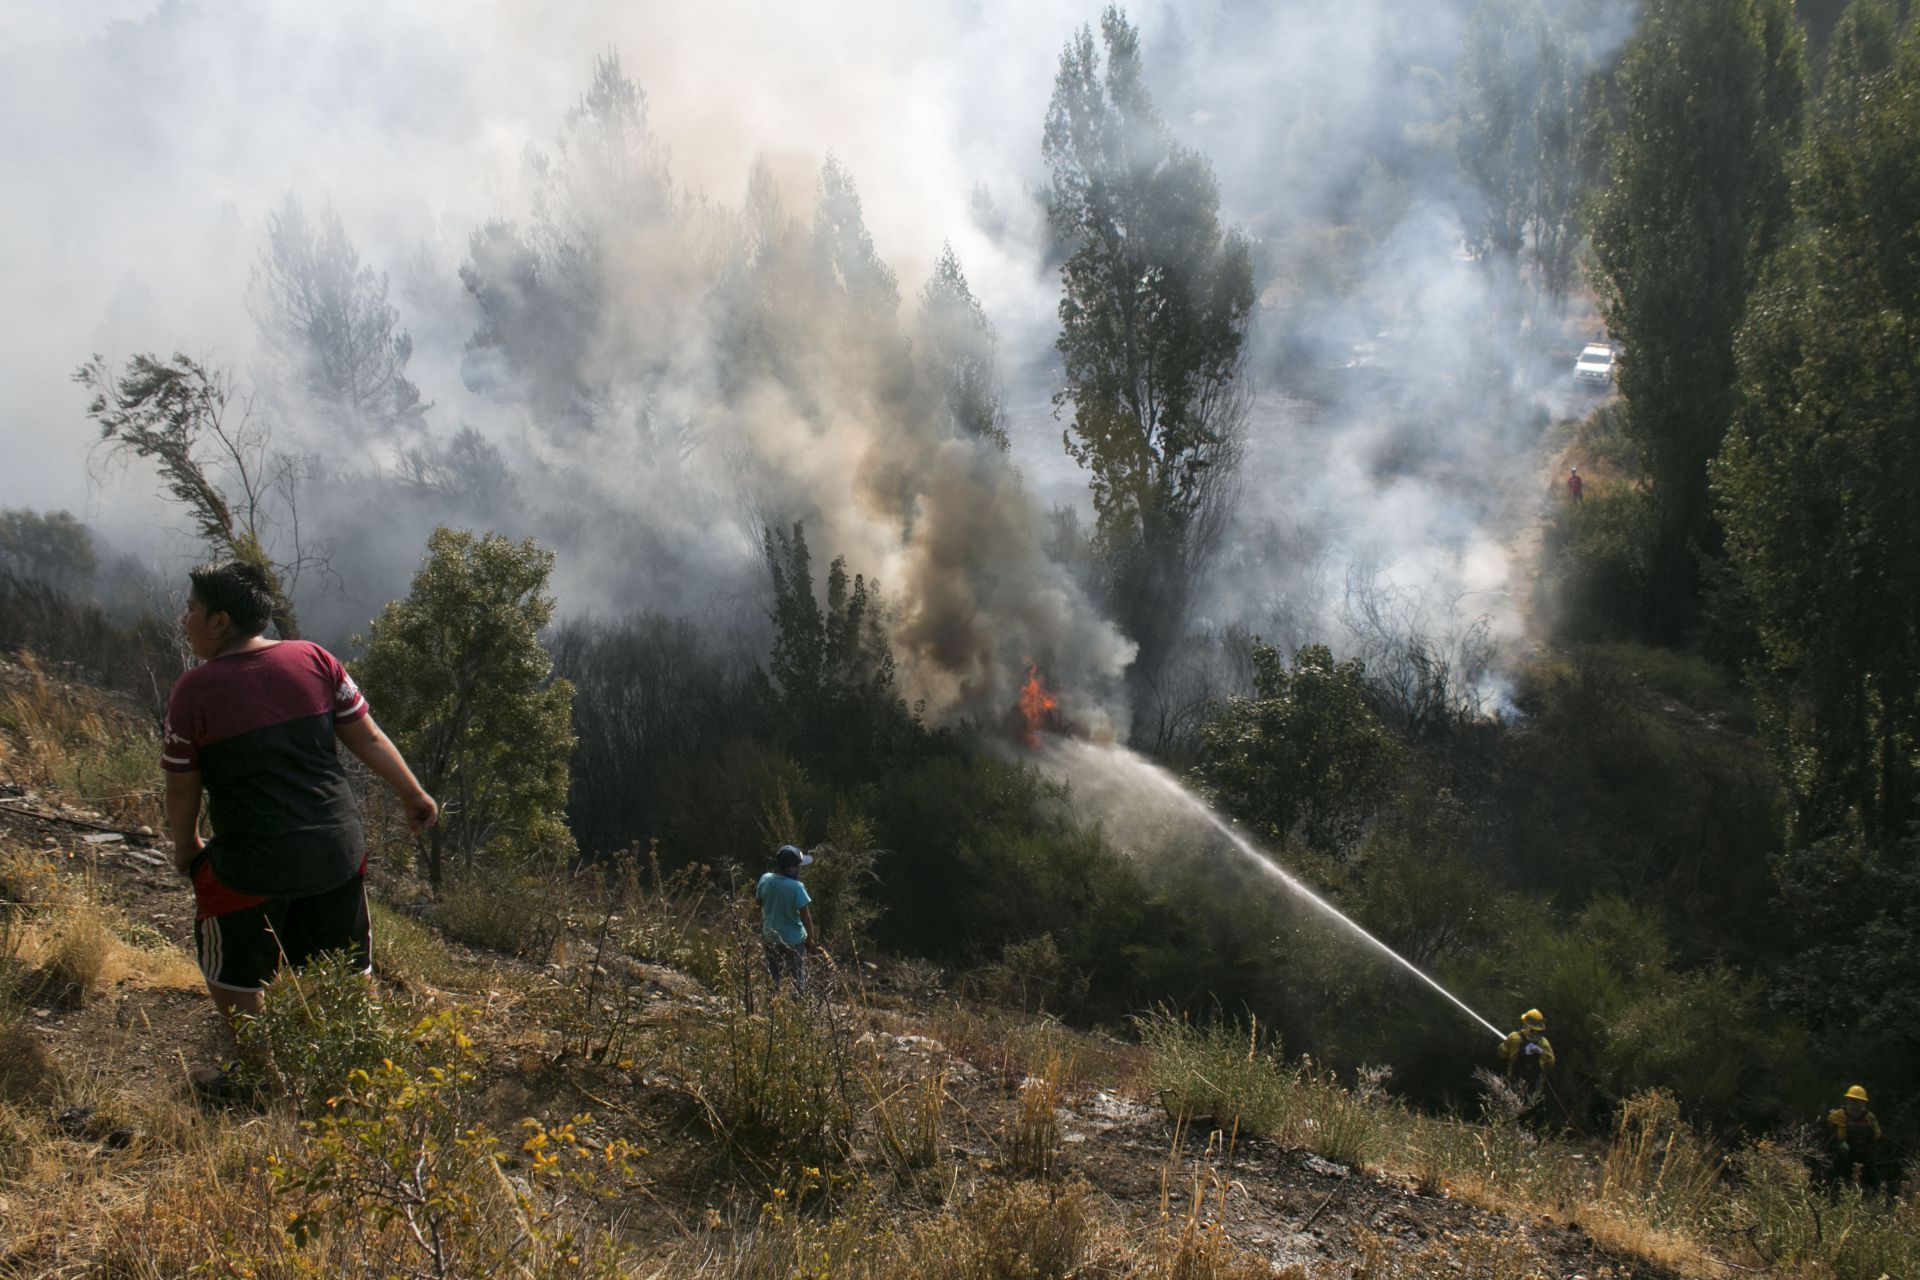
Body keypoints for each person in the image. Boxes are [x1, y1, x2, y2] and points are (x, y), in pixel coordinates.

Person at [162, 559, 436, 1092]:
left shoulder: (193, 692)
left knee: (230, 966)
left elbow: (181, 787)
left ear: (220, 622)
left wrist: (187, 846)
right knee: (345, 959)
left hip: (248, 865)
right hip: (335, 850)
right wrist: (413, 792)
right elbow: (369, 737)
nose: (184, 619)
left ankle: (263, 1076)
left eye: (191, 609)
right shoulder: (314, 658)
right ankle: (363, 1070)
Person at [755, 843, 817, 992]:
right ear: (791, 869)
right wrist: (810, 938)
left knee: (772, 976)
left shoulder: (766, 879)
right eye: (798, 866)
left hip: (770, 936)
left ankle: (771, 1007)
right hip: (793, 940)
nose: (800, 869)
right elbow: (806, 916)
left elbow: (759, 902)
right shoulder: (797, 887)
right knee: (797, 977)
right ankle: (798, 1007)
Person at [1827, 1085, 1883, 1191]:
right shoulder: (1839, 1115)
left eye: (1858, 1102)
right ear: (1847, 1101)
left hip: (1864, 1158)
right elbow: (1829, 1124)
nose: (1854, 1106)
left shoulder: (1869, 1118)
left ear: (1863, 1103)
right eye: (1852, 1101)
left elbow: (1877, 1135)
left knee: (1874, 1184)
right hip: (1843, 1158)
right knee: (1832, 1180)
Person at [1499, 1008, 1556, 1087]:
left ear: (1526, 1024)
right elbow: (1551, 1062)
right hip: (1533, 1083)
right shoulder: (1544, 1043)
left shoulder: (1514, 1037)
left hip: (1512, 1080)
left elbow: (1502, 1053)